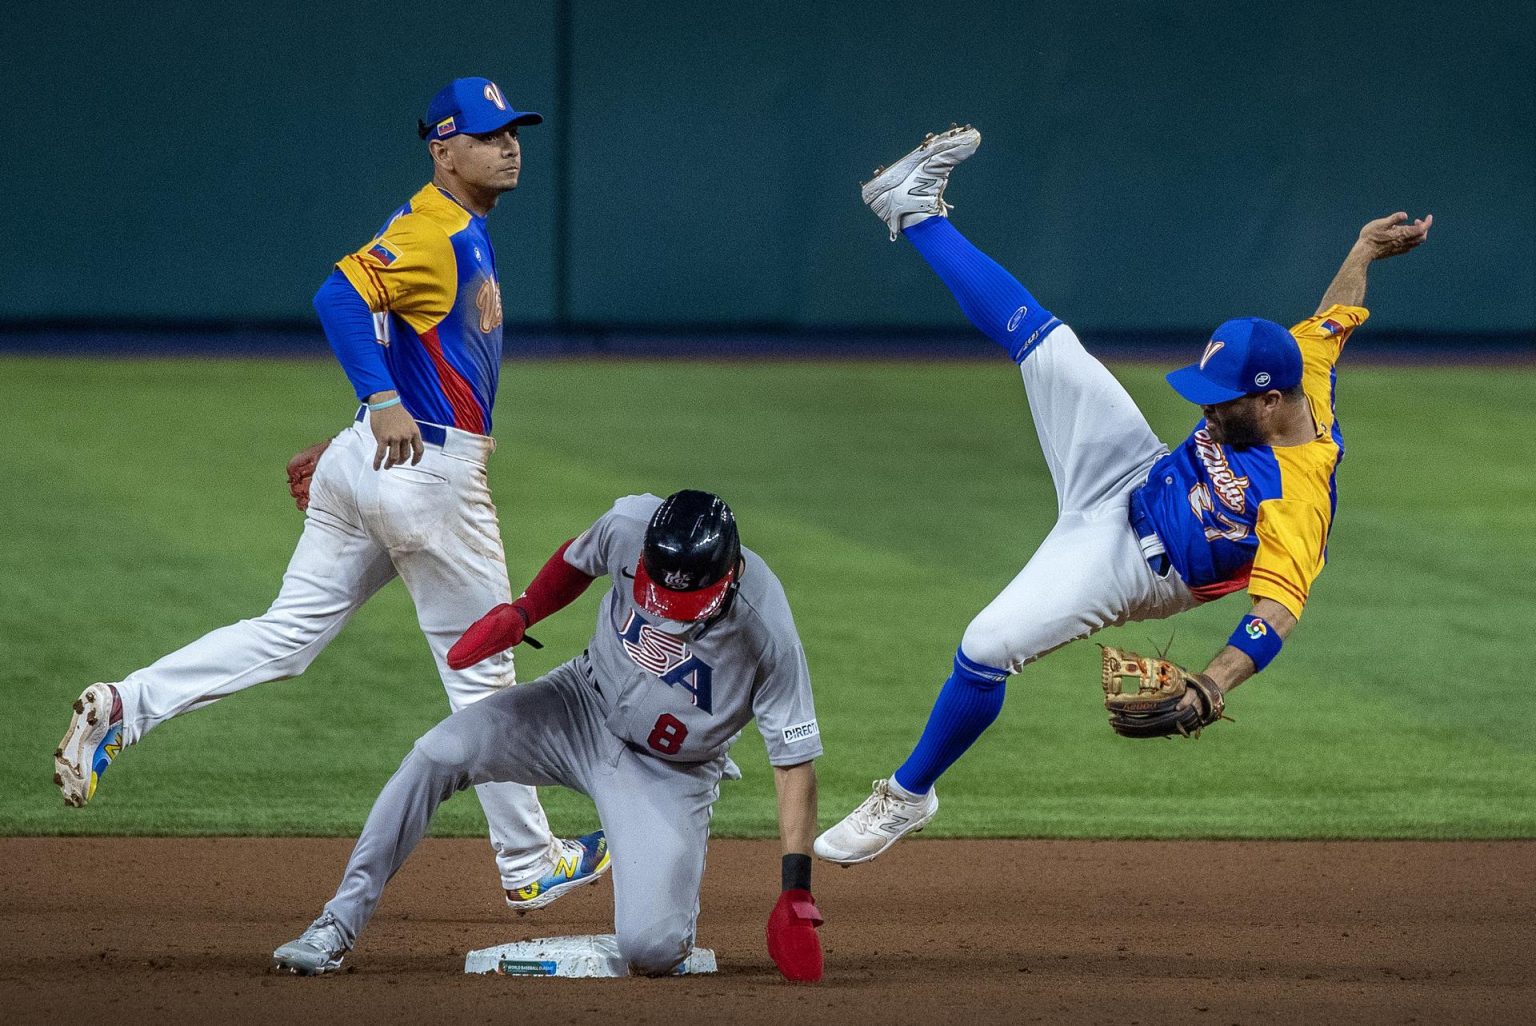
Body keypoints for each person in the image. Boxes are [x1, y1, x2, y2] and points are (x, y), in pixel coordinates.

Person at [53, 76, 608, 910]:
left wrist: (361, 423)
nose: (509, 145)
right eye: (490, 134)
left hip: (374, 463)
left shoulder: (440, 222)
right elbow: (336, 297)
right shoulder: (438, 232)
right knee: (483, 673)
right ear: (443, 149)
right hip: (431, 474)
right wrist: (380, 404)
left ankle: (126, 706)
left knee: (286, 637)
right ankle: (531, 863)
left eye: (512, 131)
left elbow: (393, 327)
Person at [814, 126, 1431, 865]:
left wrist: (1213, 681)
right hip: (1131, 472)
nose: (1206, 411)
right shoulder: (1304, 365)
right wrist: (1361, 254)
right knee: (1048, 344)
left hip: (1136, 567)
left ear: (1270, 403)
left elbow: (1277, 612)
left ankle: (908, 796)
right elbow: (1336, 317)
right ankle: (914, 208)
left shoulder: (1299, 498)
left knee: (984, 648)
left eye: (1221, 402)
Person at [270, 491, 828, 980]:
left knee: (652, 949)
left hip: (669, 772)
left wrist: (795, 889)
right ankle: (336, 924)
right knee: (436, 753)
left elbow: (794, 761)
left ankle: (638, 841)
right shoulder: (631, 525)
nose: (663, 609)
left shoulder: (766, 628)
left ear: (726, 577)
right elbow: (577, 557)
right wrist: (524, 612)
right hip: (576, 705)